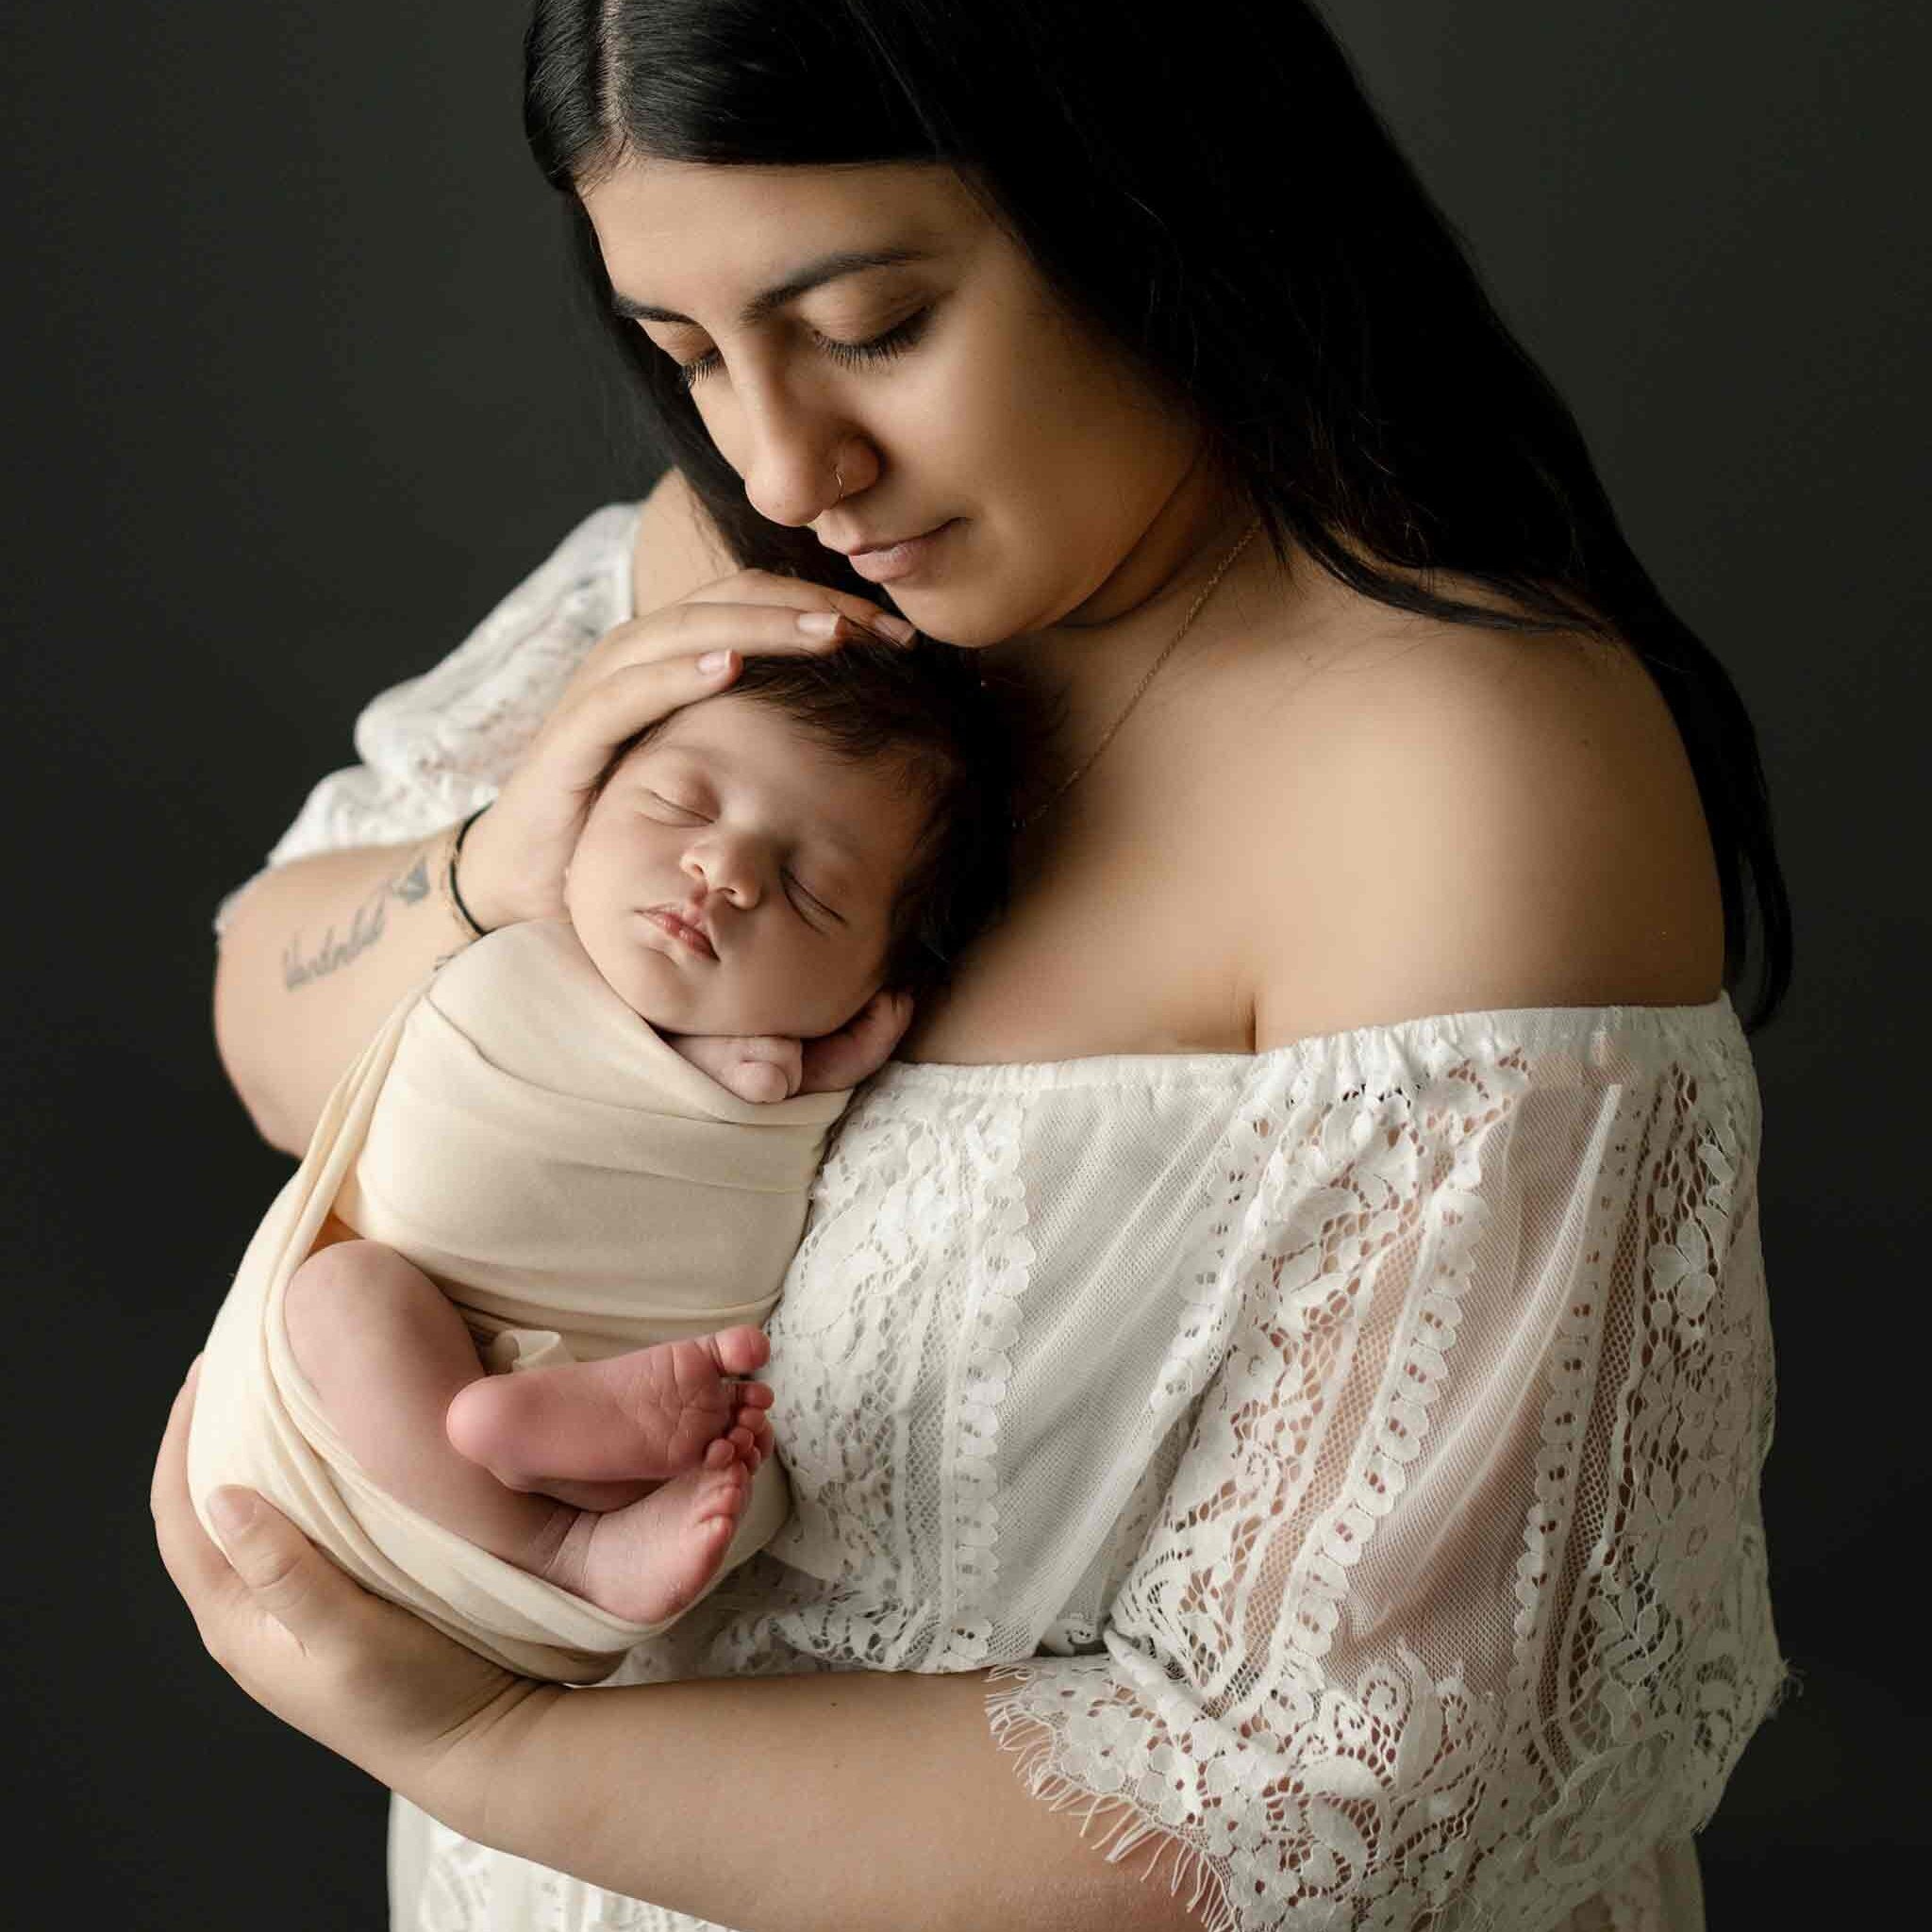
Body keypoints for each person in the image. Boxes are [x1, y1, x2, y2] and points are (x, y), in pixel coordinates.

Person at [153, 2, 1797, 1927]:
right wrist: (503, 864)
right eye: (686, 353)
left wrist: (478, 1748)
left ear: (1150, 201)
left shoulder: (1454, 771)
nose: (783, 462)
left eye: (867, 327)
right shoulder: (739, 583)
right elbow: (273, 1029)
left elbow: (1343, 1799)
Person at [186, 643, 1013, 1682]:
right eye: (678, 802)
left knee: (743, 1455)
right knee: (342, 1293)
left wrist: (797, 1075)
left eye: (809, 890)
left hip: (596, 1415)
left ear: (872, 989)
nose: (725, 869)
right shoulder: (524, 943)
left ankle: (568, 1520)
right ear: (579, 805)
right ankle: (546, 1531)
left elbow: (747, 1153)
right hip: (354, 1438)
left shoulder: (798, 1062)